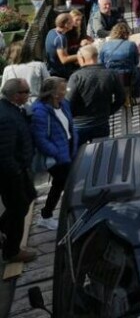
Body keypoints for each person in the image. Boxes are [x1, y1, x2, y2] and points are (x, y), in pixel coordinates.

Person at [30, 77, 78, 230]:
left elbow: (70, 124)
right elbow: (40, 138)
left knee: (61, 185)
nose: (66, 92)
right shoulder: (40, 111)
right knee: (64, 184)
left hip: (68, 149)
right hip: (58, 157)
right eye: (63, 89)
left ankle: (49, 214)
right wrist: (56, 152)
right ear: (53, 93)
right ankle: (47, 215)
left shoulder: (63, 104)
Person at [0, 78, 38, 264]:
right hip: (12, 174)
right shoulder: (6, 116)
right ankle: (12, 251)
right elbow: (5, 152)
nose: (29, 94)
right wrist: (16, 173)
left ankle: (2, 230)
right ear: (16, 95)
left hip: (18, 169)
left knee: (28, 198)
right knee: (19, 207)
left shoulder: (11, 110)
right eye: (26, 91)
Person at [66, 44, 125, 145]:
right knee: (102, 152)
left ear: (82, 58)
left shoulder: (76, 77)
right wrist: (108, 112)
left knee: (78, 155)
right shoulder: (111, 74)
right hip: (101, 123)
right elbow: (121, 98)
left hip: (79, 125)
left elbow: (68, 102)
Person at [99, 22, 140, 100]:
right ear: (127, 34)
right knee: (137, 70)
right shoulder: (131, 44)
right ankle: (136, 96)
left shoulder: (105, 45)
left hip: (110, 74)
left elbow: (101, 61)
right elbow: (136, 61)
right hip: (127, 74)